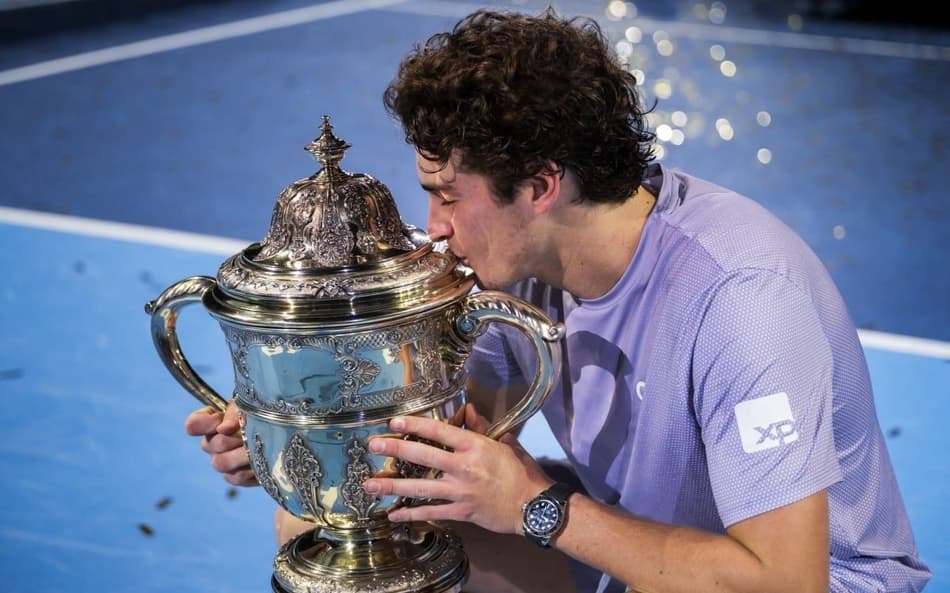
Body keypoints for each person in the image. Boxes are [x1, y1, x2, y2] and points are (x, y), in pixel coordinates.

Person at [185, 8, 931, 593]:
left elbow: (783, 579)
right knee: (330, 535)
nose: (436, 230)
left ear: (541, 185)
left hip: (805, 578)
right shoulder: (517, 267)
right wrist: (301, 430)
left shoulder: (743, 304)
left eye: (449, 197)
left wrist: (537, 505)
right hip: (643, 541)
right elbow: (442, 417)